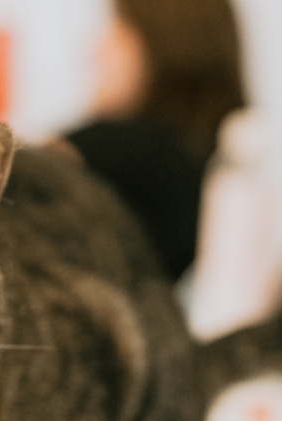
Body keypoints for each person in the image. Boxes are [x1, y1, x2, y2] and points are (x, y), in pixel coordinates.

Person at [64, 0, 247, 282]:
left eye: (119, 29)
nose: (97, 50)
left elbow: (16, 172)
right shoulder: (218, 163)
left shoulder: (119, 149)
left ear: (166, 42)